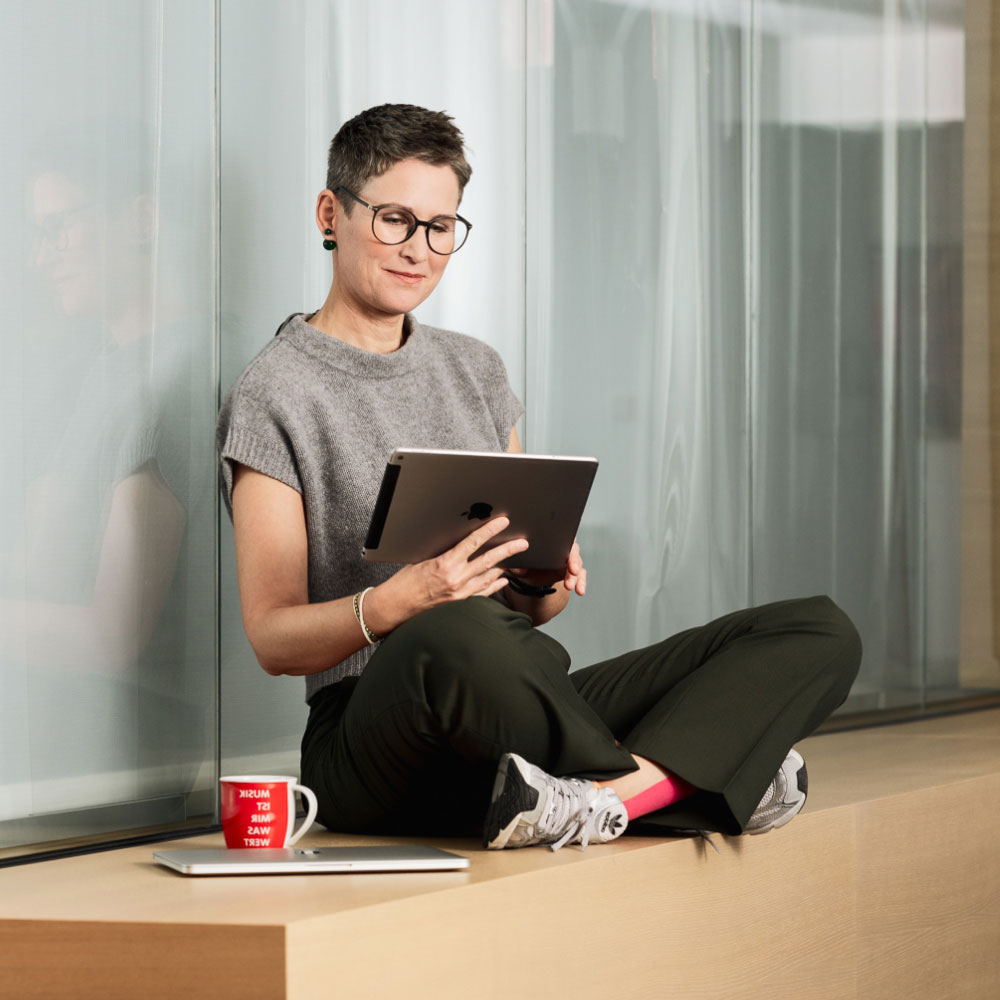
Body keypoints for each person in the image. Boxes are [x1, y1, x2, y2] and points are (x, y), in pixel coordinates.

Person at [217, 103, 861, 851]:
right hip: (371, 735)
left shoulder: (475, 369)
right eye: (395, 219)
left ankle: (611, 795)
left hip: (513, 704)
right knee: (454, 629)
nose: (418, 250)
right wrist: (401, 601)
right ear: (332, 213)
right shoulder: (276, 389)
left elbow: (530, 616)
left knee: (817, 630)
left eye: (440, 227)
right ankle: (709, 772)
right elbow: (273, 638)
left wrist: (540, 574)